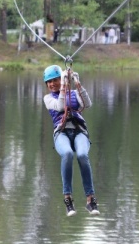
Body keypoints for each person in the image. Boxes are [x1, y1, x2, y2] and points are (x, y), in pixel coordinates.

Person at [43, 65, 100, 217]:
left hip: (79, 131)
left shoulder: (74, 93)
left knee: (82, 155)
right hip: (61, 133)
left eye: (55, 80)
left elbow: (87, 104)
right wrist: (63, 84)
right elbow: (61, 106)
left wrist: (77, 83)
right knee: (67, 153)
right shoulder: (48, 98)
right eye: (49, 82)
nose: (52, 84)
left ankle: (90, 199)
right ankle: (68, 199)